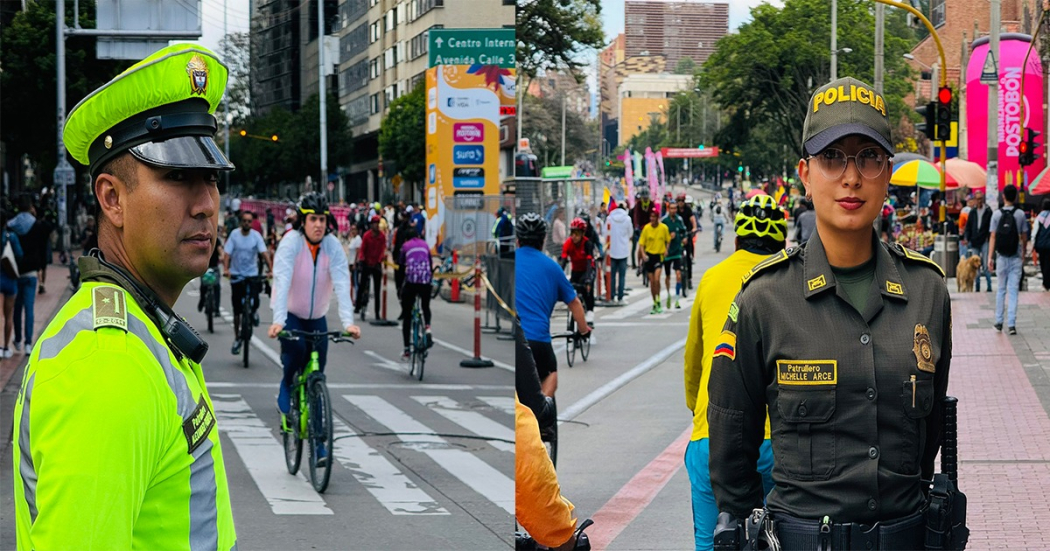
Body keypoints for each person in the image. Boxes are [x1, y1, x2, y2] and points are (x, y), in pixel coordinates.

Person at [709, 77, 952, 549]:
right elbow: (730, 448)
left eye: (869, 157)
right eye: (832, 158)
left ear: (887, 173)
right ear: (804, 173)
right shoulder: (764, 299)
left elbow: (929, 437)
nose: (851, 177)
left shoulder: (928, 291)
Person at [13, 43, 237, 548]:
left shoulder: (142, 329)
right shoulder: (108, 363)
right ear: (112, 199)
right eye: (178, 177)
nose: (206, 204)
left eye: (212, 179)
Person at [683, 194, 785, 551]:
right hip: (780, 441)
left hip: (711, 435)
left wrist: (699, 412)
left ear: (737, 240)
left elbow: (694, 363)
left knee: (711, 541)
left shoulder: (712, 279)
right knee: (784, 539)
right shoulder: (791, 279)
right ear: (783, 243)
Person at [268, 192, 361, 463]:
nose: (318, 225)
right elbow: (282, 280)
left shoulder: (332, 246)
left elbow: (343, 283)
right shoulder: (290, 243)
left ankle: (320, 444)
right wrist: (278, 321)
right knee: (296, 351)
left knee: (317, 374)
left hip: (317, 315)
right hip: (291, 314)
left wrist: (349, 323)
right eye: (312, 219)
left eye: (322, 219)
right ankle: (286, 385)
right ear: (303, 221)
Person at [515, 212, 590, 398]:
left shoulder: (509, 261)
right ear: (543, 240)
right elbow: (574, 303)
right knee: (550, 375)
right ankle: (540, 412)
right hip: (537, 340)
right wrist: (583, 329)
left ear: (517, 241)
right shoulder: (552, 267)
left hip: (513, 339)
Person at [225, 210, 272, 355]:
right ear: (241, 222)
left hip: (252, 275)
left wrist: (270, 269)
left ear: (252, 223)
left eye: (249, 221)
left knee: (256, 300)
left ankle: (253, 312)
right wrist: (226, 269)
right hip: (237, 275)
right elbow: (227, 254)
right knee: (237, 311)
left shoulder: (256, 236)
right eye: (244, 221)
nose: (247, 223)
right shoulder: (234, 235)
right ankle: (237, 338)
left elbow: (264, 253)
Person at [11, 200, 54, 354]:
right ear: (31, 208)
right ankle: (29, 343)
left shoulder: (11, 225)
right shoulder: (37, 225)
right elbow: (49, 229)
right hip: (31, 273)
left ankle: (17, 339)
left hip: (15, 271)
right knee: (29, 308)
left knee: (16, 308)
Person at [988, 184, 1029, 335]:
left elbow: (992, 236)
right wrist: (1023, 251)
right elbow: (1024, 237)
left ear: (1003, 196)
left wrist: (990, 257)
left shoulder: (996, 215)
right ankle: (1011, 324)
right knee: (1013, 291)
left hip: (1001, 257)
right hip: (1015, 256)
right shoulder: (1020, 215)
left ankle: (999, 322)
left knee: (1001, 290)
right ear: (1016, 197)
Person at [398, 228, 433, 360]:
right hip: (425, 281)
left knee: (407, 316)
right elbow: (430, 263)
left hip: (411, 282)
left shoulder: (405, 246)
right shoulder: (425, 245)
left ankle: (407, 349)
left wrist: (399, 287)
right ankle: (428, 327)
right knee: (425, 306)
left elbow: (401, 267)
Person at [560, 218, 596, 322]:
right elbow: (563, 260)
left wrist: (588, 280)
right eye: (572, 233)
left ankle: (590, 311)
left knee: (586, 289)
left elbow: (590, 263)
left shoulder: (587, 244)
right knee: (572, 289)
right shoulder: (568, 243)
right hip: (575, 270)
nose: (574, 237)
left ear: (582, 234)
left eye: (577, 234)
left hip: (587, 270)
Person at [637, 208, 670, 314]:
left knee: (657, 279)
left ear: (657, 218)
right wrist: (643, 254)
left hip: (658, 256)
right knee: (651, 282)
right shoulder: (646, 228)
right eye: (651, 217)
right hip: (649, 257)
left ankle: (659, 299)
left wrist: (666, 250)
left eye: (654, 217)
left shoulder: (663, 228)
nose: (652, 219)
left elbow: (668, 240)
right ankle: (654, 301)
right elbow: (641, 244)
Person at [356, 214, 387, 320]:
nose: (376, 226)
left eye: (377, 224)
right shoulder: (366, 236)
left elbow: (383, 249)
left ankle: (377, 312)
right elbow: (362, 249)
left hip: (376, 264)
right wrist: (362, 259)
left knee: (377, 290)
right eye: (374, 224)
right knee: (362, 285)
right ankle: (358, 305)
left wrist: (379, 260)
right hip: (366, 262)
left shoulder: (382, 236)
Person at [1, 210, 23, 358]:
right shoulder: (11, 237)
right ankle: (6, 347)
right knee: (8, 316)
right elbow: (19, 255)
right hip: (9, 279)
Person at [963, 189, 993, 292]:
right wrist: (966, 237)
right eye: (977, 199)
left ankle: (989, 286)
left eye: (981, 199)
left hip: (984, 240)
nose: (979, 201)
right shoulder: (973, 212)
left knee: (985, 264)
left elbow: (991, 227)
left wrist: (990, 239)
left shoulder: (988, 211)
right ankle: (977, 287)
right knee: (975, 265)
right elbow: (968, 226)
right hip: (974, 241)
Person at [606, 203, 633, 304]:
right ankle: (620, 297)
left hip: (612, 251)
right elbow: (630, 233)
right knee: (622, 276)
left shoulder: (609, 218)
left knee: (612, 275)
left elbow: (606, 233)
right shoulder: (627, 219)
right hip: (623, 250)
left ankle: (612, 296)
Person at [662, 201, 687, 309]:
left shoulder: (679, 220)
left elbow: (684, 231)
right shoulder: (664, 221)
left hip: (677, 251)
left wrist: (684, 238)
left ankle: (677, 298)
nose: (673, 210)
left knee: (678, 274)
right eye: (671, 208)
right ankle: (668, 294)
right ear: (668, 209)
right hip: (667, 252)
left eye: (675, 208)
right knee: (667, 276)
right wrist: (668, 237)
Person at [631, 187, 655, 269]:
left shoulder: (652, 204)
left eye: (646, 197)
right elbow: (636, 216)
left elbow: (654, 215)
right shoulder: (638, 204)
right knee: (641, 245)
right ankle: (639, 264)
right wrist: (636, 226)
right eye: (643, 197)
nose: (645, 199)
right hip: (641, 227)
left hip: (650, 227)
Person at [1032, 198, 1050, 291]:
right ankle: (1047, 282)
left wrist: (1033, 244)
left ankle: (1045, 283)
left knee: (1043, 263)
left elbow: (1035, 232)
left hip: (1041, 245)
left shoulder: (1039, 217)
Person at [346, 224, 362, 297]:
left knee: (356, 282)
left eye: (354, 229)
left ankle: (357, 298)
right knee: (352, 282)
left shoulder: (358, 239)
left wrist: (355, 264)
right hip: (351, 262)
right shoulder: (352, 239)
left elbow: (358, 252)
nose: (353, 231)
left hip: (355, 263)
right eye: (352, 229)